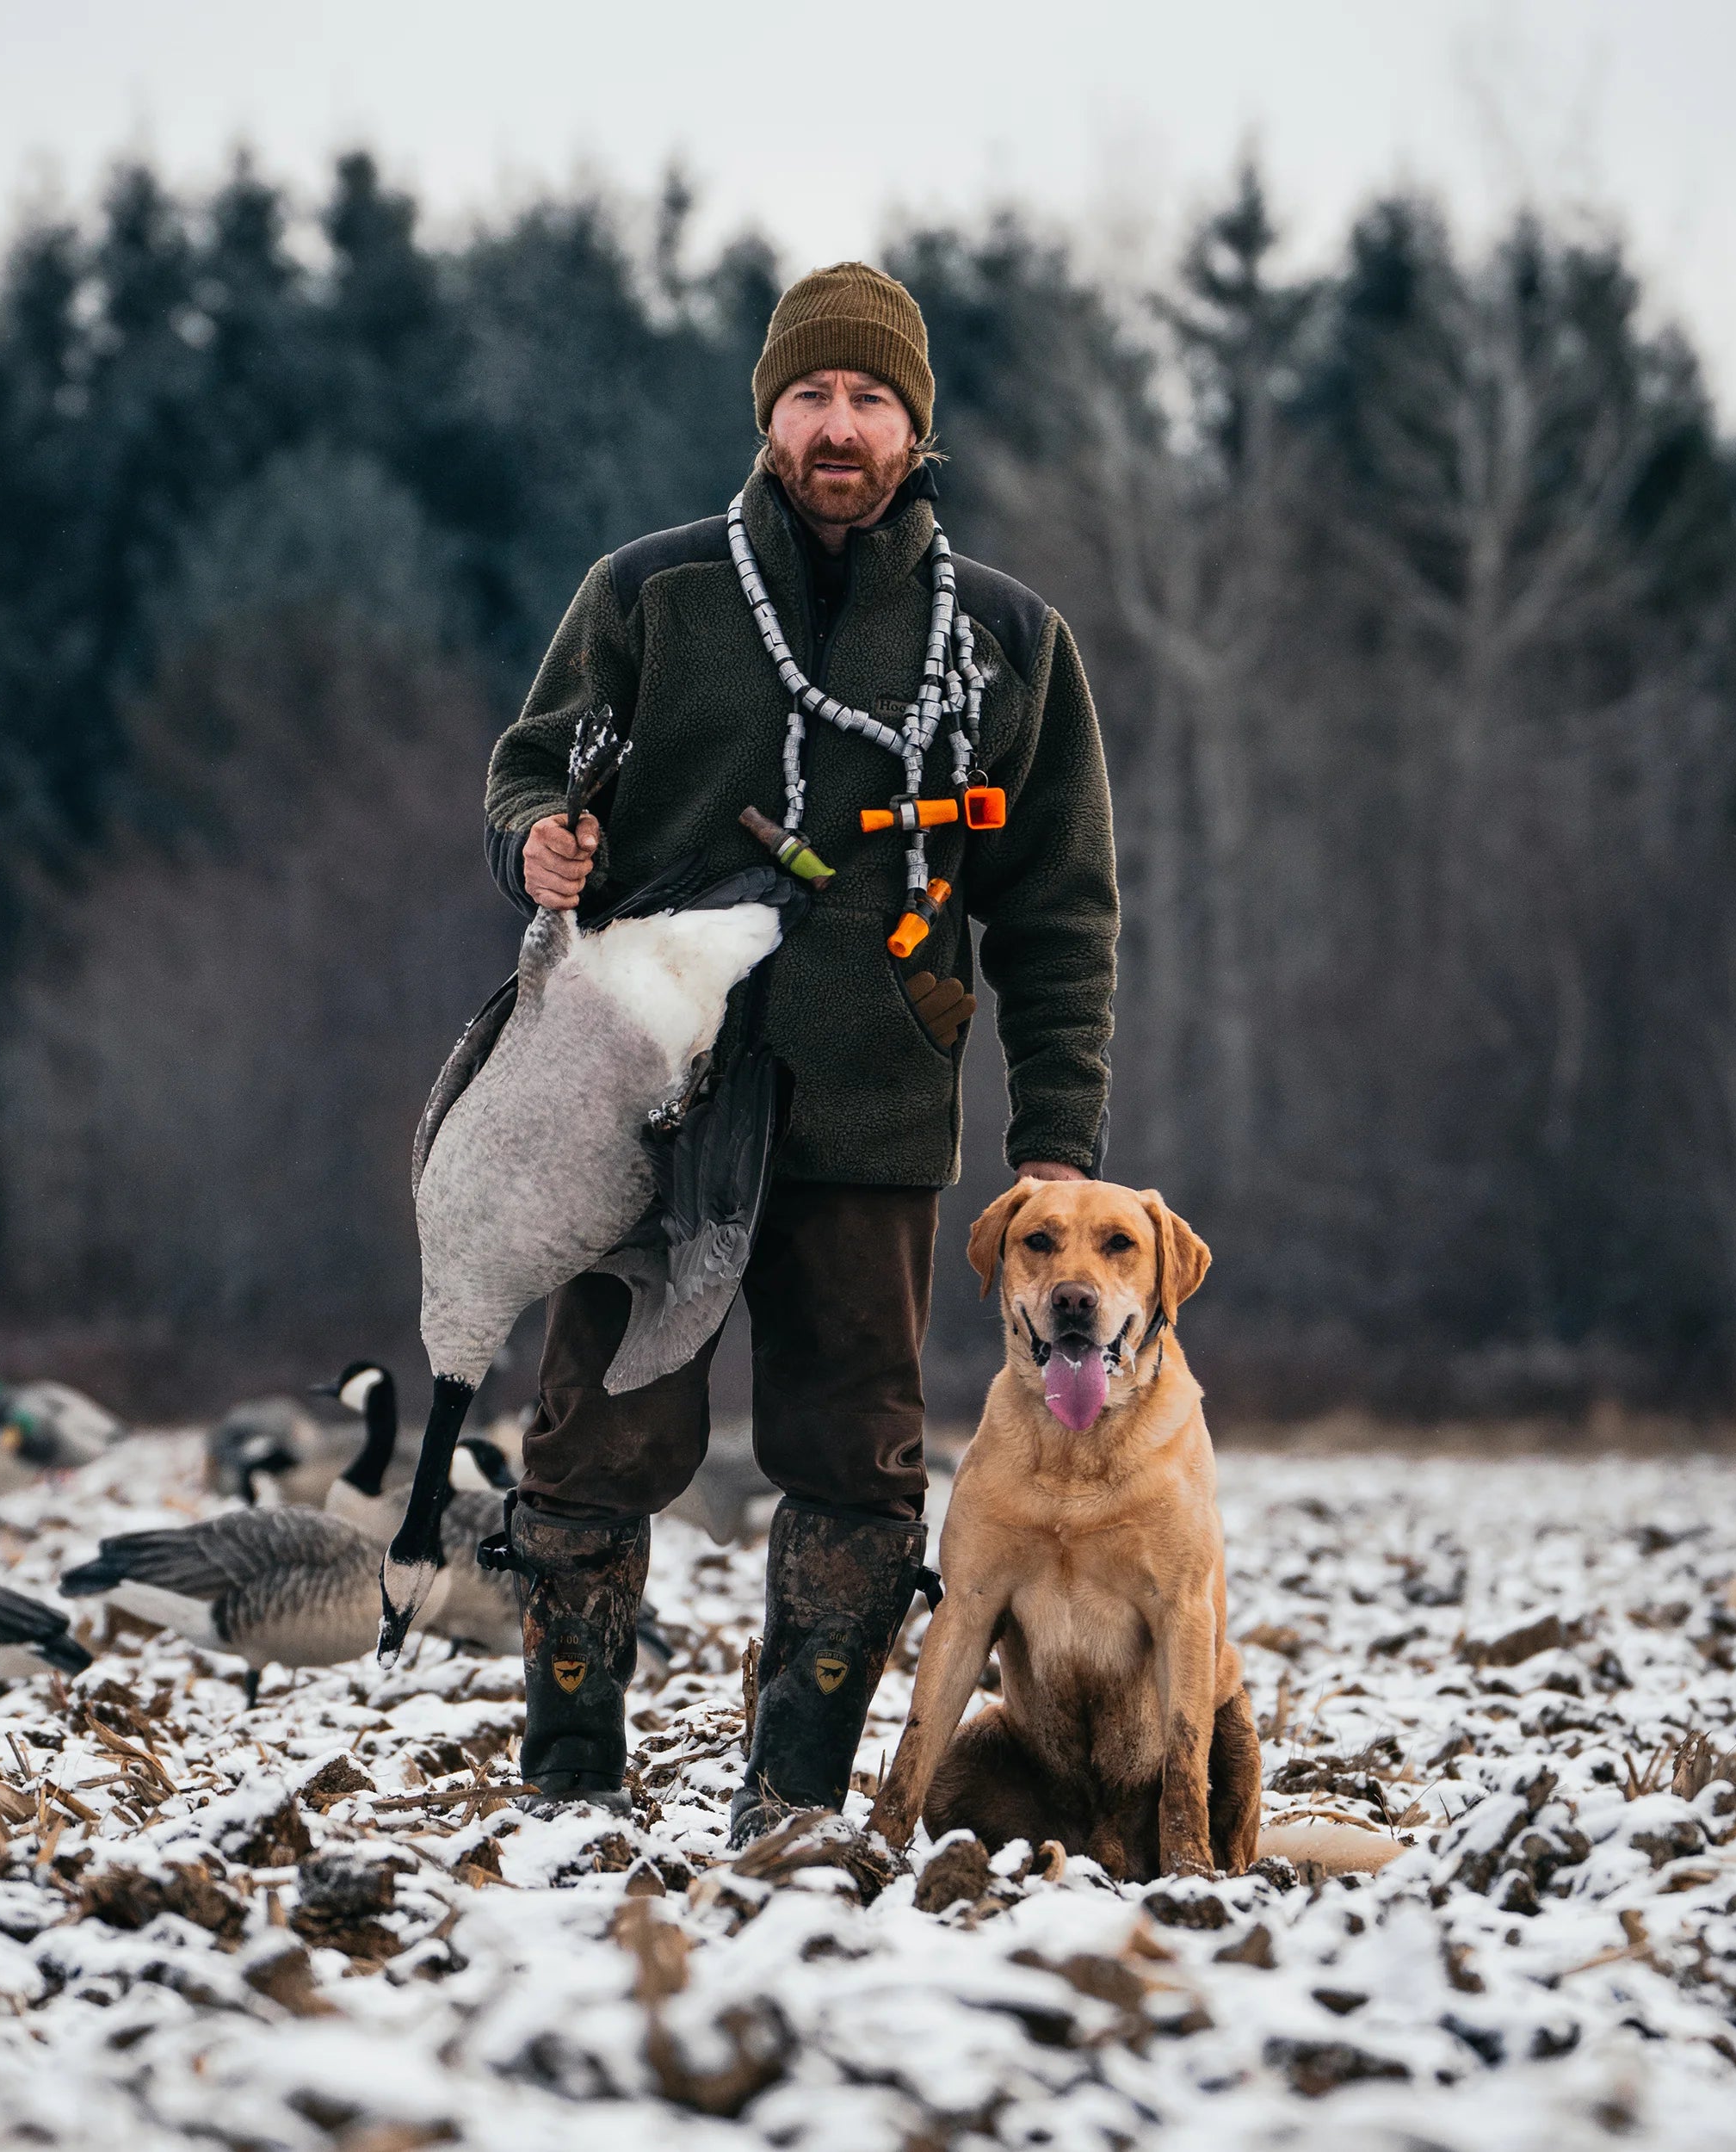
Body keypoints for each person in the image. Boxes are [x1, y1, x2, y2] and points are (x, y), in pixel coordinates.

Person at [483, 262, 1119, 1840]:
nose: (840, 428)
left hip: (873, 1100)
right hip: (649, 1101)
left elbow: (1058, 912)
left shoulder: (1010, 644)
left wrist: (1061, 1136)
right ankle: (570, 1790)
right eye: (813, 395)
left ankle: (797, 1802)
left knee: (857, 1456)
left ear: (917, 427)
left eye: (871, 399)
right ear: (769, 412)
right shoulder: (650, 594)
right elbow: (527, 774)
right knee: (593, 1441)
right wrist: (537, 848)